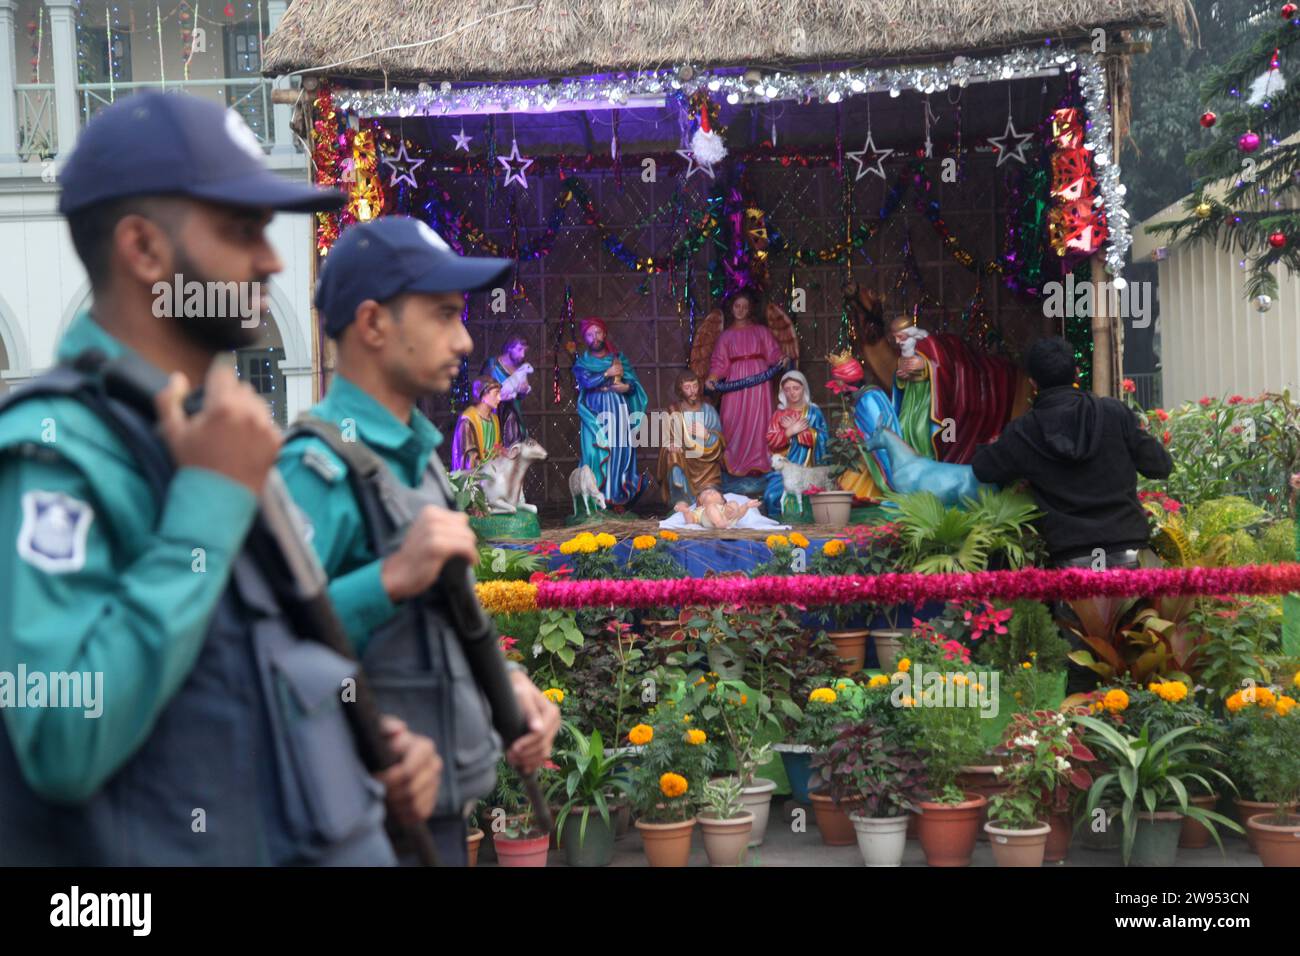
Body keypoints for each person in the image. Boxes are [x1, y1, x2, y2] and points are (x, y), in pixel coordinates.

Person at [0, 92, 439, 865]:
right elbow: (64, 736)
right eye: (242, 230)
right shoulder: (55, 450)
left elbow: (232, 677)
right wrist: (207, 501)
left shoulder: (217, 434)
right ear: (144, 249)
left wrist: (355, 754)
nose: (271, 260)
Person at [278, 215, 561, 865]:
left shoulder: (422, 460)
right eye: (442, 315)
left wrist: (508, 690)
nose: (464, 340)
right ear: (374, 324)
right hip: (364, 828)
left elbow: (429, 627)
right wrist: (387, 578)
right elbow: (271, 654)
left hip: (436, 821)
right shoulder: (314, 468)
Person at [971, 337, 1174, 691]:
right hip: (1131, 557)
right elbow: (1160, 465)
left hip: (1075, 568)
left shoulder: (1025, 432)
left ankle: (1085, 741)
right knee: (1139, 664)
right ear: (1076, 373)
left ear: (1032, 383)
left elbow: (984, 469)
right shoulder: (1113, 413)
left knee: (1084, 671)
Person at [704, 289, 789, 477]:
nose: (740, 310)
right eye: (737, 306)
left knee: (760, 419)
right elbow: (719, 362)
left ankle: (760, 460)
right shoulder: (725, 336)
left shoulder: (761, 331)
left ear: (750, 309)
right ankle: (733, 461)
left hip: (759, 380)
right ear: (731, 308)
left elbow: (773, 352)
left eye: (744, 307)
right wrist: (713, 378)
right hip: (735, 380)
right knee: (731, 417)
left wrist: (780, 358)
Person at [573, 317, 648, 507]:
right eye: (589, 334)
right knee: (595, 450)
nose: (594, 338)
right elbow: (587, 382)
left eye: (597, 333)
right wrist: (607, 373)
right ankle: (596, 498)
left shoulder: (618, 358)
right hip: (594, 411)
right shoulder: (582, 363)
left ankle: (616, 497)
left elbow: (632, 383)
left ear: (604, 334)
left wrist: (626, 387)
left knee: (619, 450)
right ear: (585, 338)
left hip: (618, 407)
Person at [763, 370, 829, 517]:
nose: (792, 393)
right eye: (787, 389)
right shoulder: (778, 415)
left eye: (796, 388)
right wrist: (789, 432)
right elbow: (771, 443)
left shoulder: (813, 413)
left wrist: (801, 432)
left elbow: (824, 439)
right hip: (785, 471)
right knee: (771, 497)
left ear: (803, 388)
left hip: (810, 469)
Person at [656, 369, 724, 505]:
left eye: (695, 386)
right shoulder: (674, 411)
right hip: (685, 462)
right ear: (680, 390)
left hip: (706, 469)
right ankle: (680, 500)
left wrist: (706, 435)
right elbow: (667, 439)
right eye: (687, 388)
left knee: (710, 499)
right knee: (673, 458)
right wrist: (671, 446)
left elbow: (721, 443)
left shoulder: (708, 411)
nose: (692, 391)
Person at [481, 336, 531, 447]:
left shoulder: (522, 367)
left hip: (512, 418)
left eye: (525, 351)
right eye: (519, 350)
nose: (522, 355)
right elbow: (480, 388)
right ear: (509, 348)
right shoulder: (492, 365)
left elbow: (522, 392)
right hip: (493, 415)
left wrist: (524, 389)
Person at [451, 376, 504, 471]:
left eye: (500, 393)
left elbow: (497, 447)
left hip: (492, 474)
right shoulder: (468, 420)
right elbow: (468, 456)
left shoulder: (494, 419)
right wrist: (486, 468)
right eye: (496, 393)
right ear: (483, 395)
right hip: (474, 477)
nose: (500, 398)